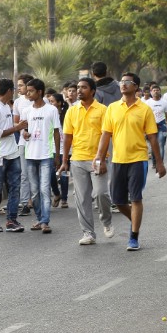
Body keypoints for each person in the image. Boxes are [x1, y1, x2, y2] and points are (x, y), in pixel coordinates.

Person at [94, 72, 167, 251]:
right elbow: (106, 135)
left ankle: (133, 236)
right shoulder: (112, 108)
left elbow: (152, 137)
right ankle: (135, 220)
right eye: (122, 81)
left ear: (136, 87)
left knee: (135, 198)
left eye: (128, 82)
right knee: (118, 201)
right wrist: (99, 157)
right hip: (118, 159)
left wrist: (159, 162)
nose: (123, 84)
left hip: (138, 159)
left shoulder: (145, 109)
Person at [60, 78, 113, 245]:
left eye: (83, 87)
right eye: (78, 87)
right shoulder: (72, 111)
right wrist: (64, 161)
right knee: (82, 199)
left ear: (93, 91)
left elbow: (107, 135)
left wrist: (103, 158)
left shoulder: (104, 110)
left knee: (101, 193)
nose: (79, 90)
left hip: (98, 159)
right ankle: (88, 233)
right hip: (77, 159)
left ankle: (106, 221)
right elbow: (67, 137)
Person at [0, 79, 28, 233]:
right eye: (13, 89)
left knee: (15, 188)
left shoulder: (5, 106)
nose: (14, 92)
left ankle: (11, 220)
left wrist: (18, 128)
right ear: (9, 91)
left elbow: (7, 128)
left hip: (12, 153)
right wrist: (17, 128)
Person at [21, 79, 62, 233]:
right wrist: (23, 133)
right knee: (35, 191)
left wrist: (57, 155)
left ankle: (45, 221)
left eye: (31, 91)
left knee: (45, 189)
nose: (28, 93)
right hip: (30, 155)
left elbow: (57, 133)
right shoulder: (26, 111)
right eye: (27, 90)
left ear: (39, 92)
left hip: (46, 155)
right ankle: (39, 218)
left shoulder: (51, 110)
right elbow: (23, 130)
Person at [13, 74, 35, 217]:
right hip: (23, 142)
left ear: (28, 86)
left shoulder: (42, 101)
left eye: (20, 85)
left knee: (37, 174)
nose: (18, 88)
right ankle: (24, 203)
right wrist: (22, 130)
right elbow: (15, 123)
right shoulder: (17, 102)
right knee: (24, 174)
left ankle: (38, 199)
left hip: (40, 144)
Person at [46, 89, 70, 208]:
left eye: (53, 101)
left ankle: (64, 199)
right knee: (51, 174)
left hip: (65, 149)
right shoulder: (48, 114)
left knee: (64, 175)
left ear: (60, 103)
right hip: (52, 149)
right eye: (49, 101)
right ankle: (56, 193)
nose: (51, 104)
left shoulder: (67, 114)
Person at [144, 84, 167, 171]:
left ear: (160, 91)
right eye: (154, 90)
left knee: (161, 144)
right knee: (153, 144)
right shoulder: (147, 103)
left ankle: (160, 162)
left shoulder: (164, 103)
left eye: (157, 90)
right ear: (151, 92)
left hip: (162, 125)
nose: (156, 91)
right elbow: (144, 116)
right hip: (151, 126)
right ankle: (155, 162)